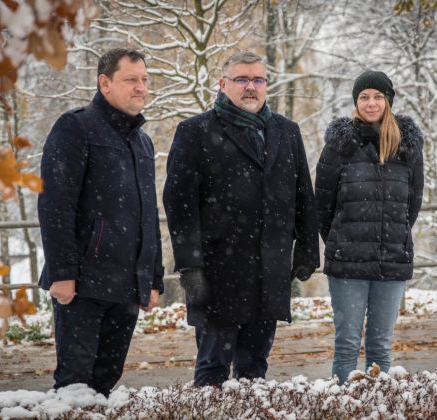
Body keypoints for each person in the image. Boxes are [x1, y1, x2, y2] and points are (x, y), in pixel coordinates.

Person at [163, 51, 320, 387]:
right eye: (242, 79)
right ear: (222, 84)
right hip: (217, 273)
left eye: (258, 79)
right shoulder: (195, 131)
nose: (251, 87)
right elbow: (179, 204)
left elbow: (304, 195)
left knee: (254, 371)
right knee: (212, 371)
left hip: (270, 269)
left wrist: (308, 250)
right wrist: (189, 266)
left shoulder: (286, 131)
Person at [38, 48, 164, 397]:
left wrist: (152, 278)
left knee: (106, 381)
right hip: (83, 286)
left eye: (144, 80)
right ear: (104, 83)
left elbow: (147, 213)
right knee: (75, 385)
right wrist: (63, 273)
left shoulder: (143, 141)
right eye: (131, 80)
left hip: (126, 287)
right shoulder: (75, 127)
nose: (140, 87)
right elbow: (55, 205)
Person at [315, 70, 424, 383]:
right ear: (356, 101)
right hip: (347, 262)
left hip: (392, 259)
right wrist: (341, 239)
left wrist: (391, 234)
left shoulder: (407, 147)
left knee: (380, 346)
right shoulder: (339, 145)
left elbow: (411, 204)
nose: (371, 102)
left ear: (388, 101)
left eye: (378, 96)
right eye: (364, 97)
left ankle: (379, 410)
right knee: (347, 344)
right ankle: (342, 409)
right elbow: (323, 202)